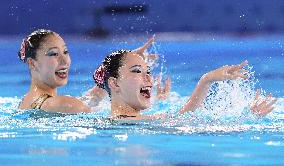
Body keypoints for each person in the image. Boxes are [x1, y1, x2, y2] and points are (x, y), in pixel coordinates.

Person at [93, 49, 277, 120]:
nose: (148, 78)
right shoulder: (125, 122)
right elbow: (183, 120)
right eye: (136, 71)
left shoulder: (122, 120)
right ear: (114, 83)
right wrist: (246, 118)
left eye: (148, 71)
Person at [17, 29, 155, 113]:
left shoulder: (26, 101)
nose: (65, 61)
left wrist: (121, 66)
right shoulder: (65, 104)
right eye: (54, 54)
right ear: (32, 63)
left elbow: (88, 99)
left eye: (65, 52)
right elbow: (117, 119)